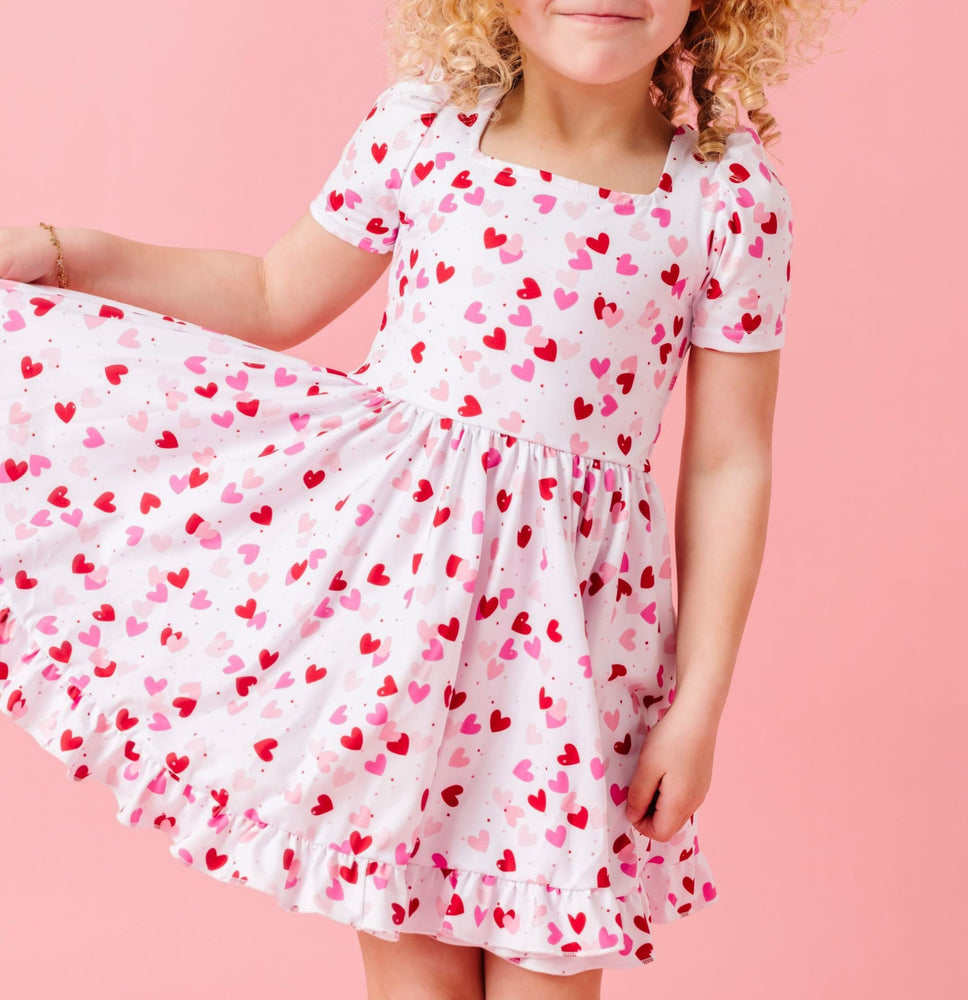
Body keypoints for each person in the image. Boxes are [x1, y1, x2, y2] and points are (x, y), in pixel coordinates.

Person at [0, 1, 850, 996]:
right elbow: (271, 294)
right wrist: (69, 253)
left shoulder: (727, 199)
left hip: (573, 649)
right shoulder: (426, 130)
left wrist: (698, 706)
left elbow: (728, 463)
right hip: (403, 630)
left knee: (549, 973)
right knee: (419, 985)